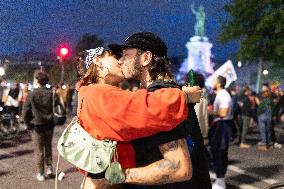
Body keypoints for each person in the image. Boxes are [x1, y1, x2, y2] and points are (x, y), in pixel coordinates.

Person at [75, 45, 202, 188]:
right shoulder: (97, 93)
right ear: (98, 61)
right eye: (115, 56)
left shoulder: (91, 92)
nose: (120, 61)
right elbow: (144, 107)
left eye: (123, 56)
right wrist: (184, 96)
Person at [110, 32, 211, 189]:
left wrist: (118, 175)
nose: (120, 61)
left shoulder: (159, 98)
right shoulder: (170, 93)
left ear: (146, 58)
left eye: (125, 55)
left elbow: (177, 167)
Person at [22, 72, 56, 181]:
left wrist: (27, 123)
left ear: (37, 81)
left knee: (39, 149)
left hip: (36, 125)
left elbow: (25, 110)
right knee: (48, 146)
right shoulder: (51, 93)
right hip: (49, 124)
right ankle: (49, 168)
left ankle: (41, 173)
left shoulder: (32, 94)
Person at [209, 75, 234, 189]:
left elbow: (223, 113)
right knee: (218, 152)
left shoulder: (223, 95)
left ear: (218, 83)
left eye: (213, 81)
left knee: (219, 152)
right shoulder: (221, 94)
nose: (212, 83)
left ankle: (220, 181)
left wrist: (208, 112)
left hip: (222, 126)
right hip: (220, 125)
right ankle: (220, 179)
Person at [255, 84, 274, 151]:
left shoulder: (259, 95)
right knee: (268, 130)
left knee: (263, 130)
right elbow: (275, 101)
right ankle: (269, 143)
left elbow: (259, 104)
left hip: (262, 114)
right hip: (269, 114)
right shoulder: (271, 95)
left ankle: (264, 144)